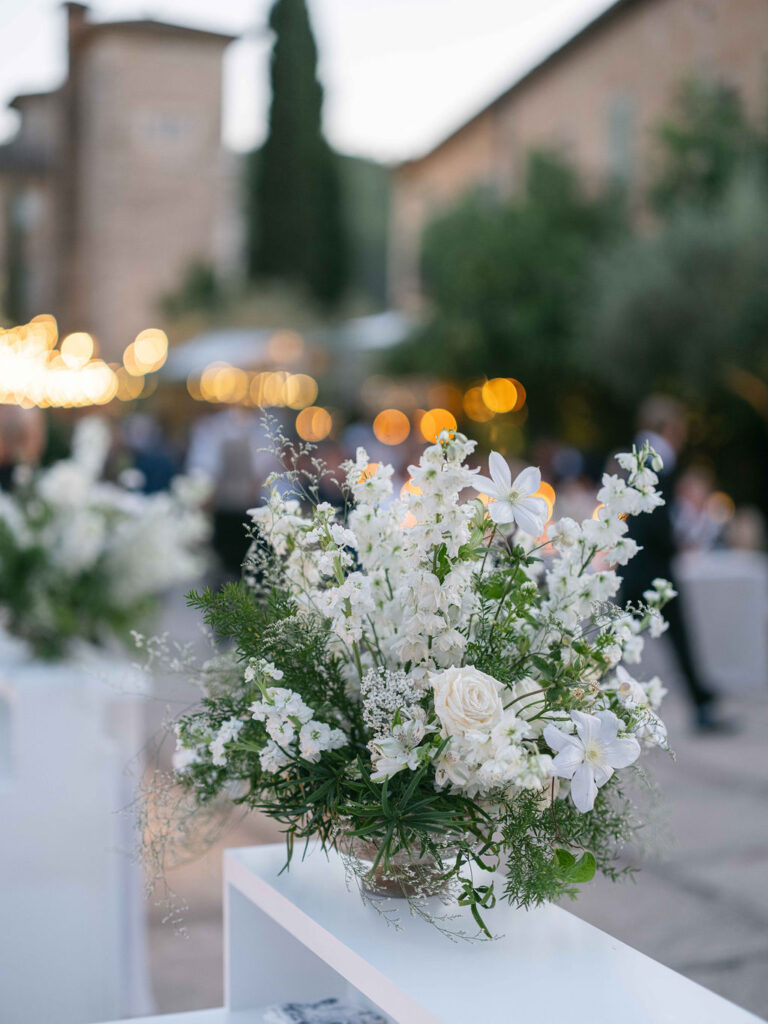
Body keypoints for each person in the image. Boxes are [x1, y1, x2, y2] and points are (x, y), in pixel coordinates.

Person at [621, 395, 732, 733]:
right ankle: (702, 703)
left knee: (620, 637)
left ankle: (703, 700)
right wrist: (676, 543)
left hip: (641, 566)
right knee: (625, 638)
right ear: (668, 427)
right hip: (653, 569)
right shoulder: (657, 457)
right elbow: (653, 520)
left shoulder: (642, 456)